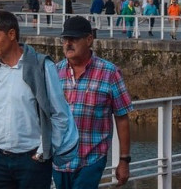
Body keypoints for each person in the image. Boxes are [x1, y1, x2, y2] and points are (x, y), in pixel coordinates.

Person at [0, 9, 78, 188]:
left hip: (32, 162)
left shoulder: (42, 66)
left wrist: (42, 153)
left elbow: (59, 114)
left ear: (11, 34)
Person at [54, 16, 133, 188]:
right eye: (65, 39)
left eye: (74, 39)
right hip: (59, 161)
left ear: (89, 40)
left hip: (91, 158)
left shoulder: (109, 73)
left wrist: (124, 160)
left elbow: (122, 117)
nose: (68, 43)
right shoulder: (54, 72)